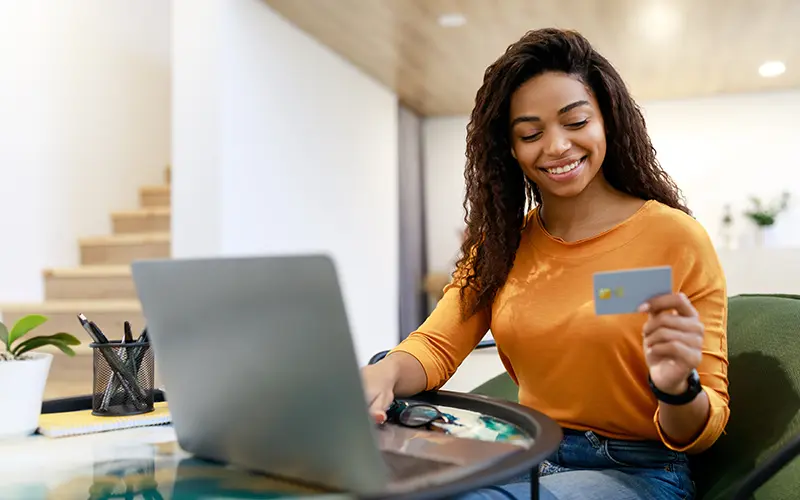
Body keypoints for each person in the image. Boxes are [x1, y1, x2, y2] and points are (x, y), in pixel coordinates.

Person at [360, 28, 729, 500]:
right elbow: (437, 344)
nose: (555, 147)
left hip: (639, 469)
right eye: (531, 133)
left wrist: (676, 388)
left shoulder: (674, 238)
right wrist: (385, 372)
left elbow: (707, 424)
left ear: (607, 123)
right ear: (511, 150)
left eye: (575, 122)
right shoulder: (503, 245)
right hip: (532, 450)